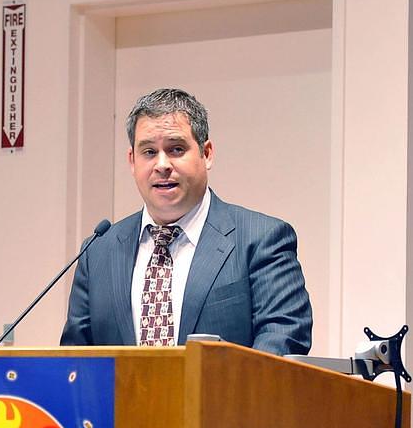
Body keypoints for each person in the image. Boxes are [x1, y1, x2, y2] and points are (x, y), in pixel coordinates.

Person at [60, 88, 312, 355]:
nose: (162, 165)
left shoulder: (260, 239)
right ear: (132, 161)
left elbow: (283, 336)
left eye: (176, 149)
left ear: (207, 153)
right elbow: (74, 359)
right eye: (149, 152)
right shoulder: (98, 251)